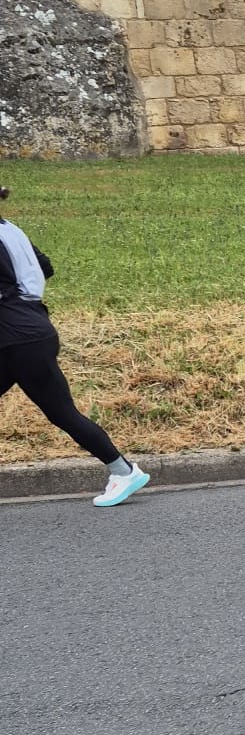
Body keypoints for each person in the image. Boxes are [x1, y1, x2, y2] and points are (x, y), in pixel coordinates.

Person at [0, 186, 149, 505]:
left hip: (18, 339)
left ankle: (124, 472)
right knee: (62, 412)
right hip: (30, 328)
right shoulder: (11, 230)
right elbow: (45, 267)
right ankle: (122, 471)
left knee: (62, 412)